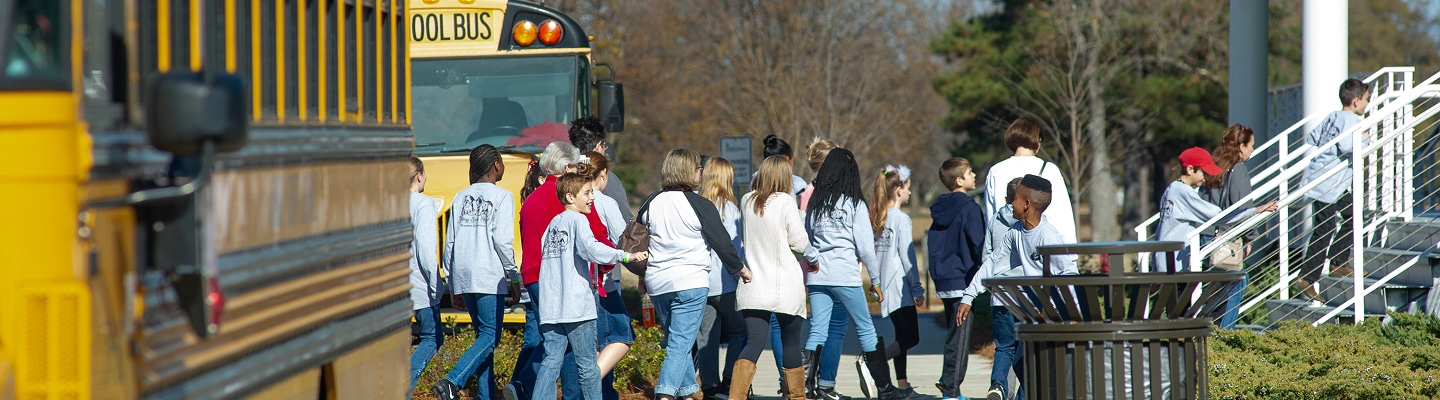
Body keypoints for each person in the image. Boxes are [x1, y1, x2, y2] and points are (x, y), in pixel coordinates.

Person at [955, 175, 1077, 400]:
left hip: (1046, 315)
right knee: (1023, 366)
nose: (1011, 203)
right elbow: (992, 263)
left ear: (1027, 204)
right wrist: (969, 295)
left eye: (1016, 199)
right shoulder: (1016, 233)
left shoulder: (1047, 236)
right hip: (1027, 312)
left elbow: (1068, 273)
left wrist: (1065, 310)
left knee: (1028, 365)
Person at [802, 148, 910, 400]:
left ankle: (806, 389)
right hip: (845, 277)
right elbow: (865, 247)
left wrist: (812, 261)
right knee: (866, 329)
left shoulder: (817, 204)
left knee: (817, 329)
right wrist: (875, 281)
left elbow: (806, 237)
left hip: (818, 277)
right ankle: (885, 389)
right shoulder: (854, 204)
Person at [643, 148, 748, 400]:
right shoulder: (700, 204)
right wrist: (740, 269)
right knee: (680, 343)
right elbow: (722, 243)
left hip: (658, 283)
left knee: (681, 338)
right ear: (690, 172)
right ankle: (666, 394)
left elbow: (634, 240)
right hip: (690, 282)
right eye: (697, 169)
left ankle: (689, 394)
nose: (700, 172)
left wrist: (639, 274)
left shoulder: (651, 201)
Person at [532, 172, 649, 400]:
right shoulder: (578, 220)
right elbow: (592, 249)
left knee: (550, 363)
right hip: (577, 309)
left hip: (552, 309)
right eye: (586, 193)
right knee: (587, 367)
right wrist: (625, 256)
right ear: (570, 196)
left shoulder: (552, 225)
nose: (592, 198)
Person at [508, 141, 600, 400]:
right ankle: (567, 394)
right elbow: (594, 238)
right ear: (567, 167)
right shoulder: (569, 198)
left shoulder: (531, 199)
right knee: (573, 345)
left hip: (533, 275)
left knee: (552, 344)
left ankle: (524, 385)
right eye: (575, 166)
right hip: (563, 278)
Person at [432, 145, 520, 400]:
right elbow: (503, 242)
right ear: (495, 166)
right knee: (490, 336)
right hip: (488, 275)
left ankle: (486, 395)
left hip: (463, 273)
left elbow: (450, 241)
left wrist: (452, 282)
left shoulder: (460, 197)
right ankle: (452, 381)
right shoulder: (502, 197)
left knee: (483, 338)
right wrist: (513, 276)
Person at [729, 156, 812, 400]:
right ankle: (796, 397)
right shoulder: (786, 202)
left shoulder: (746, 200)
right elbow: (799, 241)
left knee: (753, 342)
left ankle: (736, 396)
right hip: (785, 285)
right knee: (791, 343)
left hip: (754, 284)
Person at [1298, 78, 1372, 300]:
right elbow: (1349, 146)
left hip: (1330, 183)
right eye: (1366, 100)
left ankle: (1338, 262)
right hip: (1327, 183)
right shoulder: (1351, 120)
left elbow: (1314, 137)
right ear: (1356, 100)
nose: (1367, 105)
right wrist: (1365, 139)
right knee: (1326, 227)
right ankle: (1306, 278)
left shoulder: (1334, 116)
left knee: (1353, 215)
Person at [1202, 125, 1279, 328]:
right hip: (1226, 238)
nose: (1253, 150)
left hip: (1206, 237)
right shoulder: (1238, 170)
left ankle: (1210, 332)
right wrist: (1250, 237)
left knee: (1213, 290)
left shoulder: (1214, 165)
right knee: (1238, 282)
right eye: (1251, 145)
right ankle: (1223, 335)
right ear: (1241, 146)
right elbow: (1243, 207)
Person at [795, 138, 852, 400]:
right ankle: (824, 385)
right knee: (835, 327)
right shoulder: (826, 193)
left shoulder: (809, 191)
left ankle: (810, 385)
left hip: (816, 270)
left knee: (821, 327)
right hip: (831, 270)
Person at [1154, 148, 1270, 272]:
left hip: (1166, 261)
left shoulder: (1172, 189)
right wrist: (1252, 211)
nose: (1206, 178)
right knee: (1235, 278)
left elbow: (1161, 230)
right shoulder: (1183, 192)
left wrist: (1156, 266)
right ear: (1190, 169)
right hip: (1175, 266)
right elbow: (1217, 216)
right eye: (1204, 173)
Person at [927, 158, 986, 400]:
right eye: (970, 172)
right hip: (963, 280)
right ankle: (951, 391)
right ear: (959, 180)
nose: (974, 176)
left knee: (954, 334)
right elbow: (979, 246)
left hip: (944, 279)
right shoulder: (970, 208)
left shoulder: (939, 209)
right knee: (960, 339)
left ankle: (948, 382)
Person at [578, 152, 633, 400]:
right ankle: (587, 388)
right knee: (621, 335)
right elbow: (624, 239)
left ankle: (600, 392)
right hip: (602, 284)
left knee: (592, 345)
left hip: (576, 284)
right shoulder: (603, 202)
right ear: (602, 175)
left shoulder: (570, 199)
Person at [869, 164, 925, 393]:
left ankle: (902, 385)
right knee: (912, 337)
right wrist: (917, 288)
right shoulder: (901, 219)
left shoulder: (878, 216)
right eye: (908, 188)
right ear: (898, 190)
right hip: (900, 285)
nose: (910, 193)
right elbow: (907, 257)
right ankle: (872, 361)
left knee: (901, 336)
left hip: (885, 285)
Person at [696, 157, 747, 399]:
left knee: (707, 337)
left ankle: (709, 386)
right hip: (726, 281)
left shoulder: (696, 205)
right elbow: (735, 248)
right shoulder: (729, 208)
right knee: (740, 332)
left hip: (702, 282)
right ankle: (729, 380)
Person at [983, 116, 1077, 244]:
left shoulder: (995, 171)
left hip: (1006, 247)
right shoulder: (1049, 169)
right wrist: (1069, 253)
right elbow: (1061, 214)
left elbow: (991, 216)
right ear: (1037, 139)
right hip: (1041, 247)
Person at [406, 156, 443, 392]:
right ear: (419, 176)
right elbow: (426, 248)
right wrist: (435, 284)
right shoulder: (423, 203)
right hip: (418, 285)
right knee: (432, 338)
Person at [570, 116, 633, 221]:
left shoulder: (565, 174)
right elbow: (625, 219)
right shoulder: (605, 178)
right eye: (604, 147)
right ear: (599, 146)